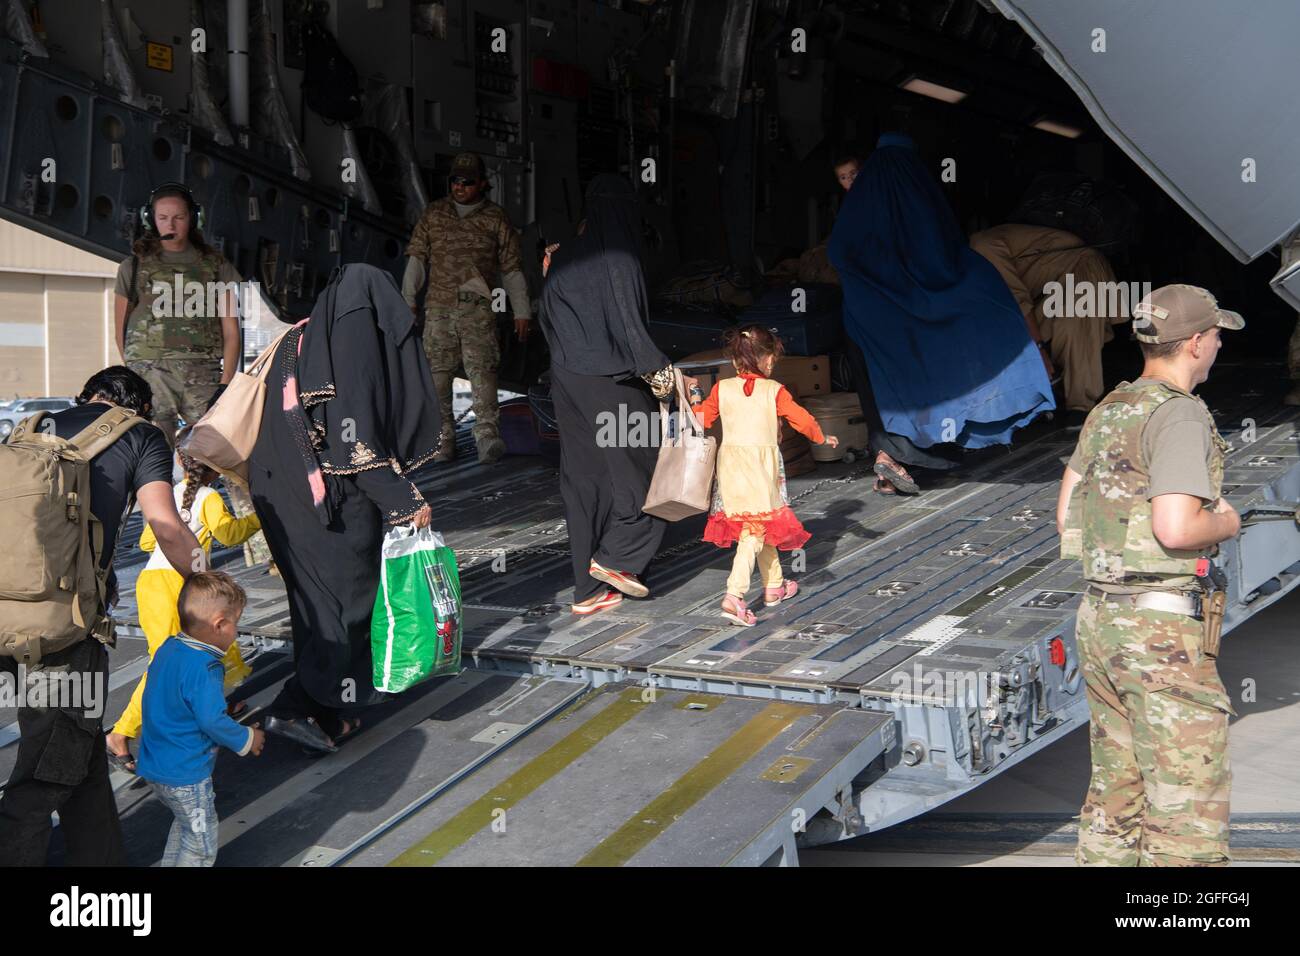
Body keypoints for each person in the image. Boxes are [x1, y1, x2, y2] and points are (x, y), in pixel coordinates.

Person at [1056, 284, 1242, 867]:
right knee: (1186, 799)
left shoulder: (1111, 409)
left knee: (1118, 789)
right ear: (1192, 343)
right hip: (1160, 630)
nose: (1217, 346)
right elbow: (1176, 527)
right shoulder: (1180, 414)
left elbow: (1066, 514)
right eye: (1215, 336)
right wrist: (1227, 520)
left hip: (1102, 619)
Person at [0, 366, 203, 866]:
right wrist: (207, 580)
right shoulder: (142, 436)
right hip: (63, 631)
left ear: (85, 396)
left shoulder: (29, 431)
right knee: (44, 777)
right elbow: (167, 526)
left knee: (80, 745)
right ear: (139, 408)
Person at [248, 264, 439, 752]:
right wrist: (403, 500)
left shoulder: (304, 339)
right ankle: (294, 707)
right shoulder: (351, 339)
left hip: (286, 498)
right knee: (346, 607)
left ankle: (327, 714)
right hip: (324, 506)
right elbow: (354, 442)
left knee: (318, 609)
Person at [828, 133, 1055, 494]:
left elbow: (839, 253)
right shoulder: (921, 198)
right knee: (925, 378)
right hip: (914, 319)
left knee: (883, 389)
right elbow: (943, 255)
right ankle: (909, 454)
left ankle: (888, 457)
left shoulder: (858, 210)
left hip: (867, 320)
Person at [538, 174, 695, 615]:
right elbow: (630, 325)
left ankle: (586, 591)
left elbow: (546, 319)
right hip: (613, 379)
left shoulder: (561, 258)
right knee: (648, 468)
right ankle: (617, 559)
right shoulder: (621, 257)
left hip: (567, 378)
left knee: (585, 479)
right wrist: (660, 372)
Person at [105, 428, 263, 772]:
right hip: (179, 585)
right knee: (167, 663)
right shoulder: (208, 496)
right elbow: (229, 533)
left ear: (179, 461)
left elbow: (149, 542)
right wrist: (259, 515)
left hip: (152, 582)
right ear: (215, 466)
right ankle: (120, 733)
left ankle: (216, 706)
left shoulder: (167, 493)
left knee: (193, 653)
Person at [691, 327, 838, 626]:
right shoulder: (775, 391)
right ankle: (734, 594)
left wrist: (694, 395)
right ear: (768, 359)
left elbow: (701, 419)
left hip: (730, 465)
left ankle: (774, 587)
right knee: (755, 529)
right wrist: (822, 437)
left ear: (735, 361)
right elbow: (802, 419)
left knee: (759, 522)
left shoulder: (721, 389)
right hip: (760, 467)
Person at [403, 152, 532, 464]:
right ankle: (443, 439)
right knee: (437, 375)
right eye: (455, 180)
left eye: (467, 181)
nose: (460, 186)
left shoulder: (495, 218)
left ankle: (487, 437)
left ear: (483, 184)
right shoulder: (434, 214)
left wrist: (522, 311)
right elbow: (417, 259)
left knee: (483, 373)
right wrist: (407, 300)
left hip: (477, 310)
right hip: (438, 309)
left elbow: (512, 270)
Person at [137, 572, 266, 866]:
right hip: (187, 776)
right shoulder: (206, 667)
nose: (236, 632)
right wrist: (247, 739)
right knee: (201, 846)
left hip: (156, 766)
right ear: (220, 624)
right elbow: (212, 721)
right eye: (236, 623)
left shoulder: (169, 648)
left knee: (186, 830)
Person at [115, 182, 242, 446]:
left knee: (226, 451)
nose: (170, 225)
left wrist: (225, 383)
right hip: (151, 374)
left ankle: (205, 489)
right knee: (152, 453)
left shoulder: (217, 266)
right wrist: (135, 375)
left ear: (194, 219)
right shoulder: (133, 266)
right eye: (162, 218)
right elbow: (121, 329)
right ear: (150, 220)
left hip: (203, 374)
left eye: (179, 217)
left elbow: (231, 330)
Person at [971, 223, 1128, 426]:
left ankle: (1080, 407)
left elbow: (1019, 304)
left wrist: (1038, 351)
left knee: (1071, 327)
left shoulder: (983, 248)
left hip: (1079, 264)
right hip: (1048, 288)